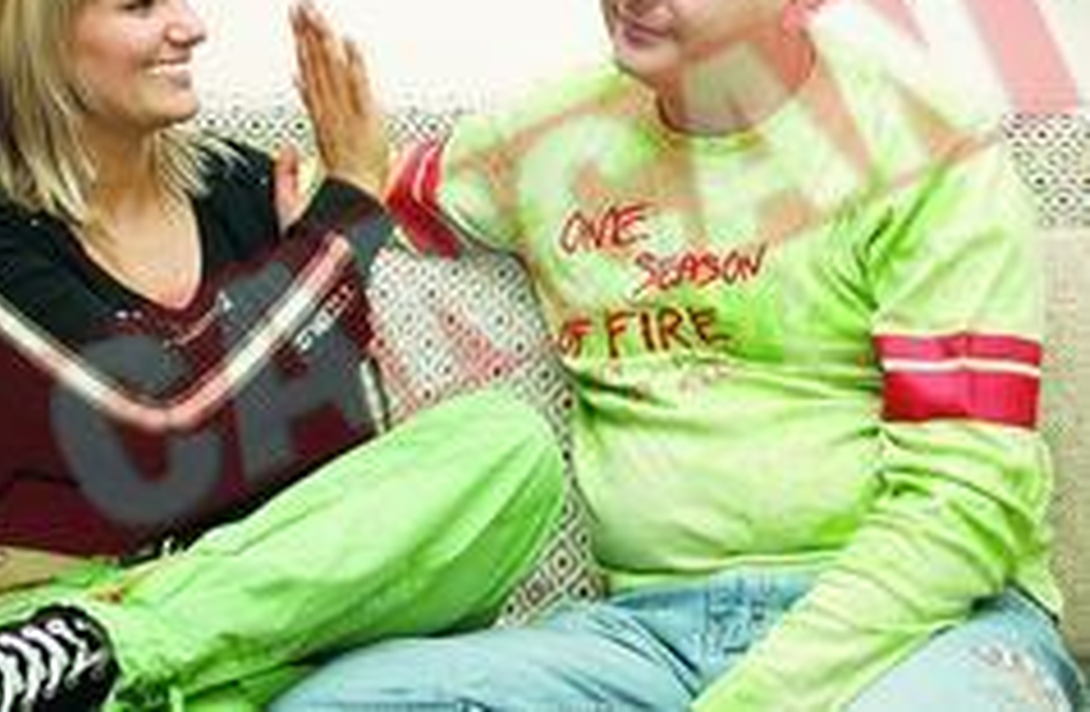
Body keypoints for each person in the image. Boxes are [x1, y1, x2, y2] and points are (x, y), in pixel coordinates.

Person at [274, 0, 1088, 709]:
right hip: (647, 640)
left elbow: (967, 499)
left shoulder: (926, 148)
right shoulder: (549, 142)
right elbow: (374, 193)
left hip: (918, 634)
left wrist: (754, 699)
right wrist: (333, 190)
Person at [0, 0, 566, 709]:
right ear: (25, 38)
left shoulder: (240, 186)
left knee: (510, 445)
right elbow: (156, 423)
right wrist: (338, 232)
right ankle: (100, 653)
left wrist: (312, 274)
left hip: (271, 606)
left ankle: (112, 651)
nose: (192, 27)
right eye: (140, 5)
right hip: (75, 595)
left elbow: (344, 459)